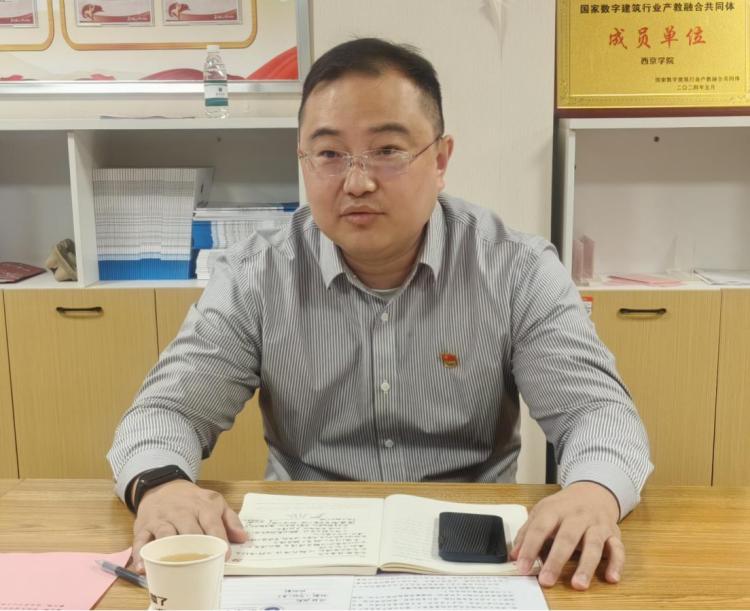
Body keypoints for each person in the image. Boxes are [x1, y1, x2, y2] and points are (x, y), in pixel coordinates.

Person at [108, 37, 653, 591]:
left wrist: (593, 491)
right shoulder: (258, 273)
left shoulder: (515, 269)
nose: (357, 181)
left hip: (473, 557)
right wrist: (162, 486)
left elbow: (596, 412)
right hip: (304, 554)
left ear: (440, 160)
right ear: (303, 161)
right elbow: (167, 411)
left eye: (388, 150)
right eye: (329, 154)